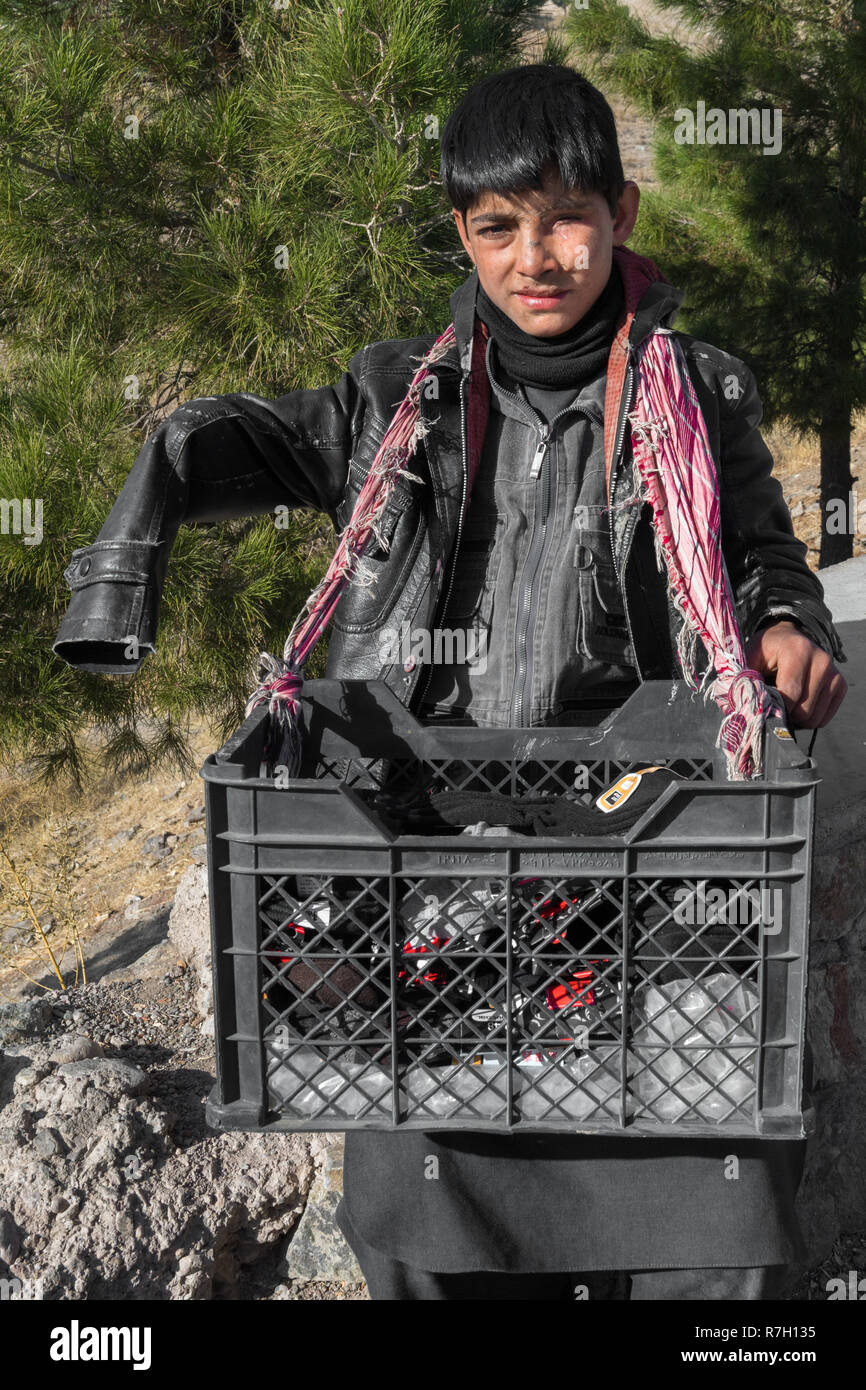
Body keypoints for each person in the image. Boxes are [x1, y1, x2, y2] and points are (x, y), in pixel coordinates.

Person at [53, 63, 847, 1301]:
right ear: (462, 234)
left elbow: (759, 555)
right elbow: (243, 440)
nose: (538, 256)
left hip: (646, 829)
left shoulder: (696, 391)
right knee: (430, 1216)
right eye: (497, 226)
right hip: (430, 859)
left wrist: (791, 626)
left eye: (567, 216)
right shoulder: (392, 395)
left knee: (713, 1209)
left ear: (620, 214)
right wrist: (127, 553)